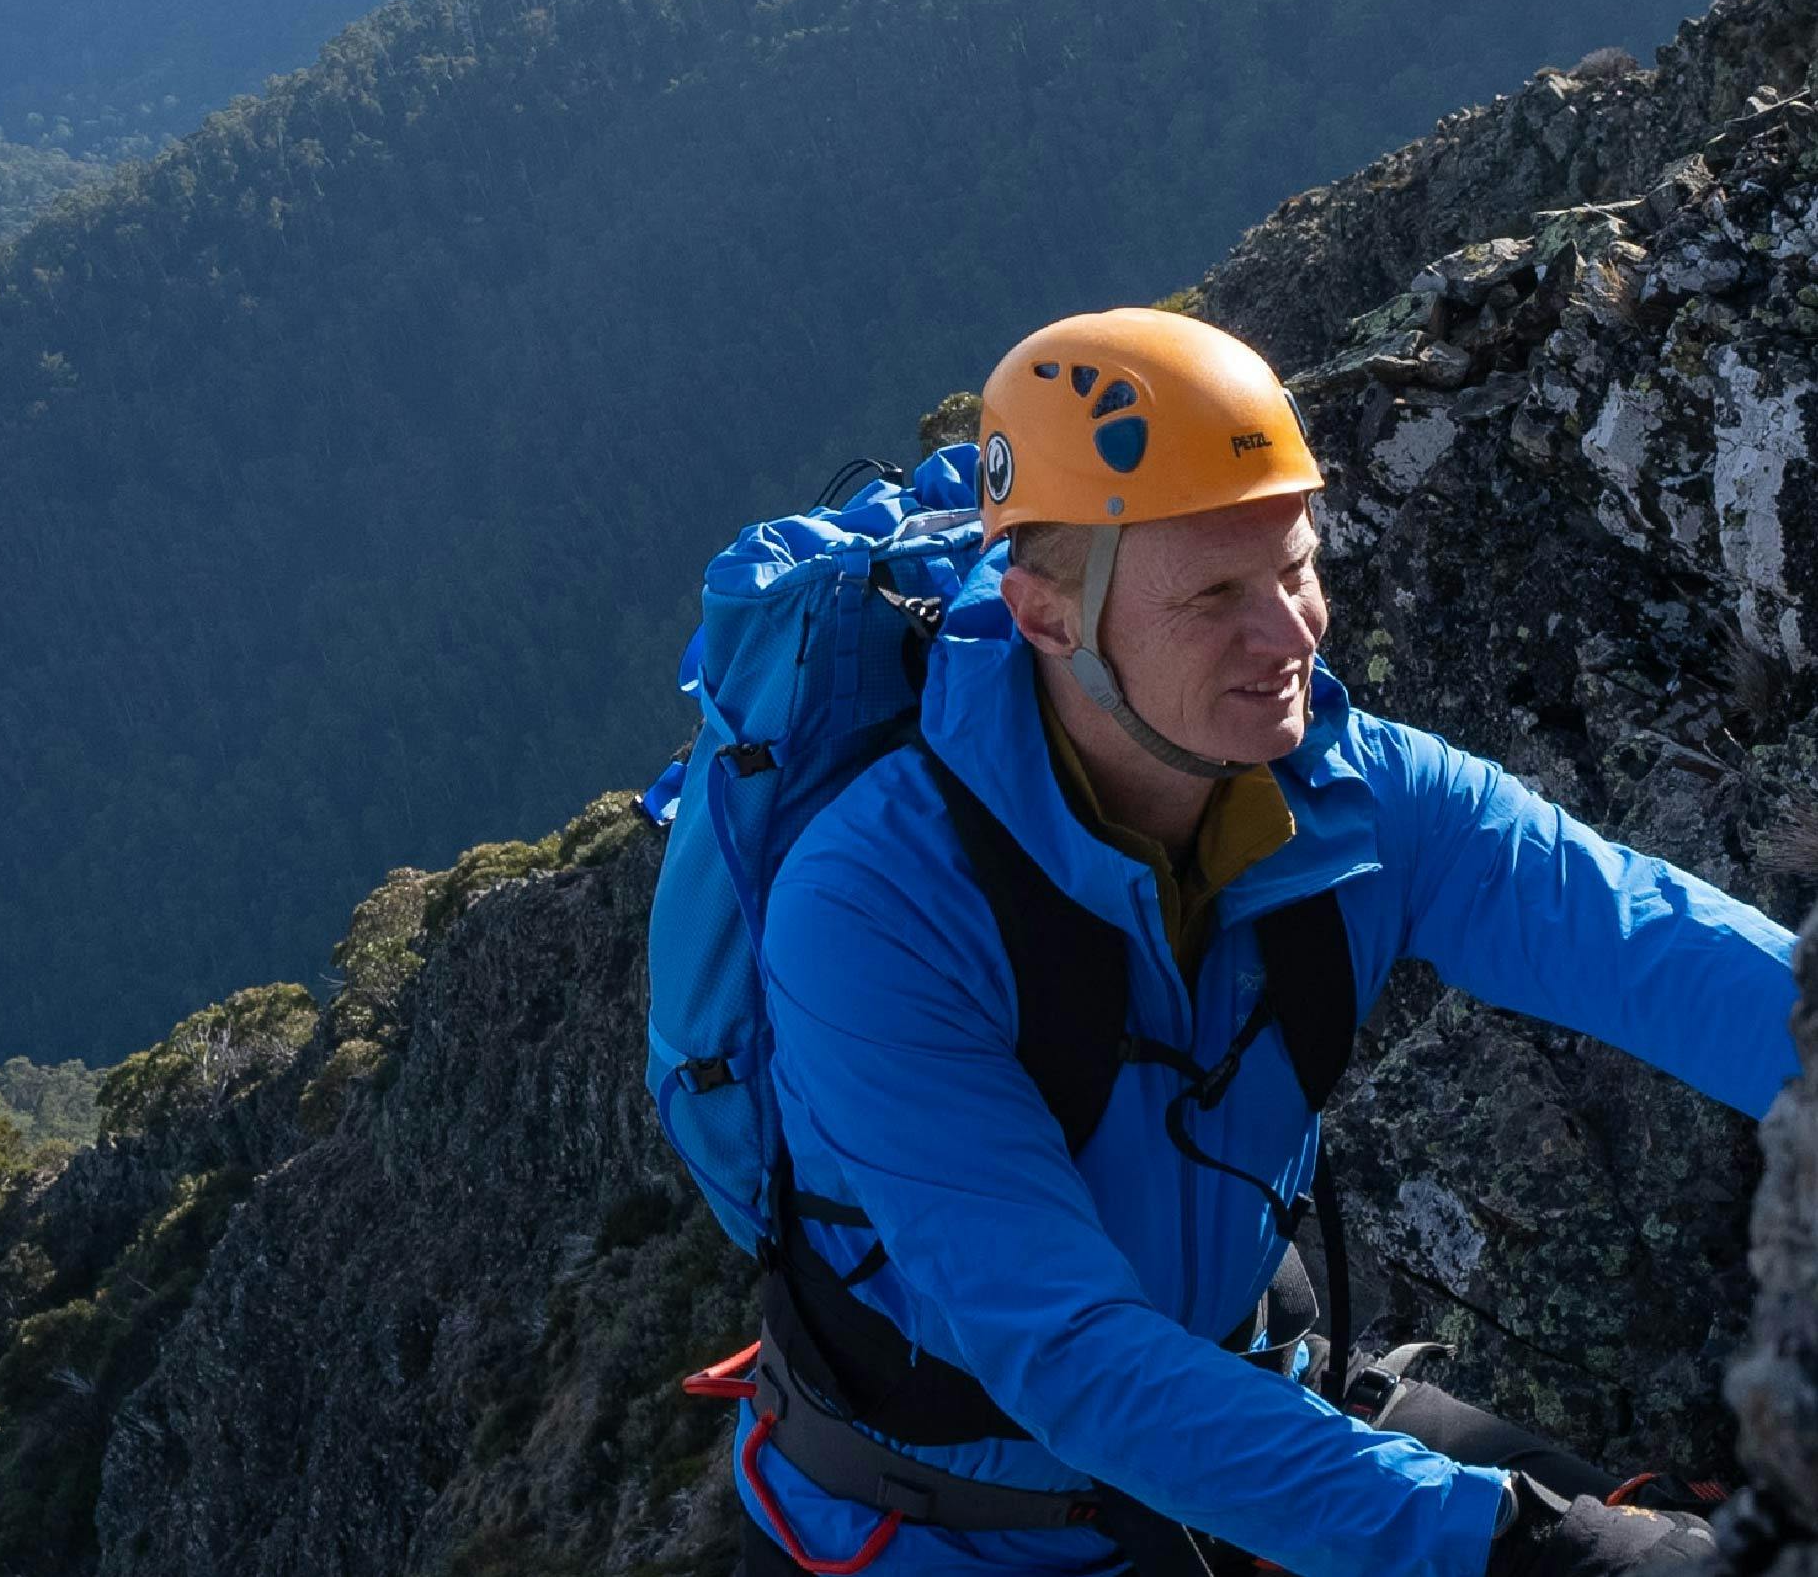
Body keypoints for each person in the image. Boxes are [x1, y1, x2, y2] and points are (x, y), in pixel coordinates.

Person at [741, 308, 1797, 1577]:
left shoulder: (1351, 795)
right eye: (1217, 595)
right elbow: (1068, 1353)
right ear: (1043, 618)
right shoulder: (877, 905)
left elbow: (1648, 940)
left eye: (1296, 565)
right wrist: (1520, 1543)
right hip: (958, 1528)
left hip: (1258, 1401)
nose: (1293, 634)